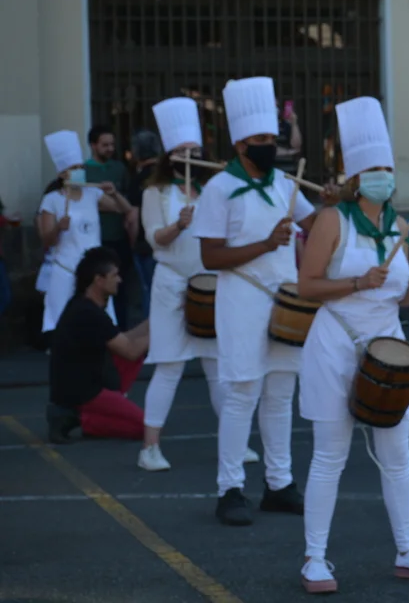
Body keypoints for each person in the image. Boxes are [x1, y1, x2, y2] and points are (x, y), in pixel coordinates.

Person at [296, 96, 409, 593]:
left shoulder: (397, 225)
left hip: (388, 348)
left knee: (397, 454)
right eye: (374, 170)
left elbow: (396, 294)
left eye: (388, 169)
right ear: (355, 176)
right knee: (330, 455)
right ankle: (314, 558)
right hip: (334, 344)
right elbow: (306, 286)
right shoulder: (332, 220)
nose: (384, 177)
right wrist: (357, 283)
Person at [190, 76, 322, 527]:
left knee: (281, 392)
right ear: (241, 144)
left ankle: (279, 483)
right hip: (242, 299)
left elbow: (316, 223)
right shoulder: (218, 189)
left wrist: (338, 204)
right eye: (261, 139)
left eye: (272, 137)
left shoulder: (284, 182)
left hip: (284, 300)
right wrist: (266, 244)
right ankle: (229, 489)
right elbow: (210, 257)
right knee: (242, 392)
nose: (270, 145)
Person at [138, 97, 258, 472]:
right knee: (170, 365)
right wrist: (179, 225)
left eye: (195, 150)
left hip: (208, 286)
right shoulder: (155, 193)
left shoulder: (211, 190)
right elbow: (154, 239)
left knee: (216, 366)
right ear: (169, 156)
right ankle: (150, 448)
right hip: (171, 285)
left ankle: (235, 442)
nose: (190, 156)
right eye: (182, 151)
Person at [46, 246, 150, 444]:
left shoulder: (84, 305)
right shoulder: (89, 314)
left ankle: (103, 410)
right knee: (146, 427)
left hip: (85, 383)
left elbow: (123, 339)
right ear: (98, 280)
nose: (119, 280)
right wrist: (162, 330)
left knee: (130, 350)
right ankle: (78, 418)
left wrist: (157, 320)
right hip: (82, 392)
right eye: (114, 275)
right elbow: (131, 350)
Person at [38, 130, 134, 334]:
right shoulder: (52, 200)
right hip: (65, 269)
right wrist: (58, 228)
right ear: (62, 174)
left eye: (80, 167)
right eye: (74, 168)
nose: (79, 171)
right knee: (61, 322)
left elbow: (124, 210)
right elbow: (47, 239)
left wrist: (114, 193)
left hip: (94, 271)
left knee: (101, 323)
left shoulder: (92, 194)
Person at [85, 125, 135, 330]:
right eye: (105, 145)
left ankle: (120, 330)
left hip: (119, 238)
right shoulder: (84, 171)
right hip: (96, 238)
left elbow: (128, 203)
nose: (110, 149)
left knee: (120, 289)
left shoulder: (119, 169)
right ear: (93, 145)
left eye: (112, 145)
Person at [129, 129, 163, 321]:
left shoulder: (139, 179)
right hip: (167, 243)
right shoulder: (166, 176)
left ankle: (149, 332)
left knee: (148, 291)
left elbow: (133, 217)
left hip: (144, 245)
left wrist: (132, 243)